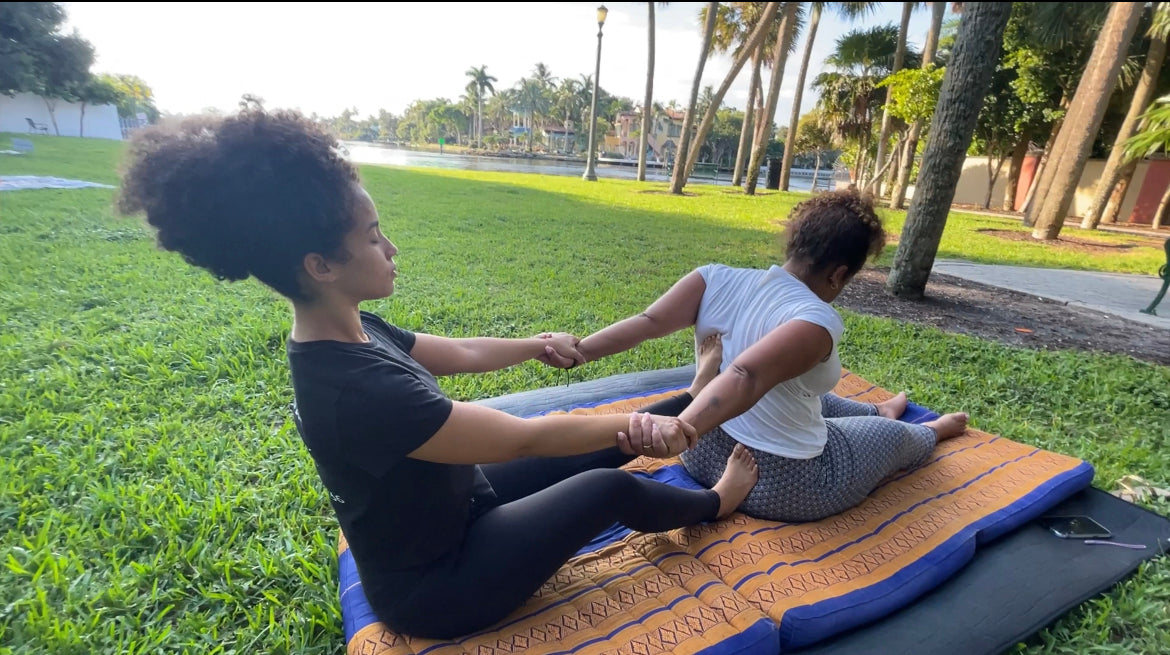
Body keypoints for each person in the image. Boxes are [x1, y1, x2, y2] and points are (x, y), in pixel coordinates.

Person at [115, 109, 760, 638]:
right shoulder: (355, 389)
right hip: (438, 584)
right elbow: (520, 437)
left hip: (462, 501)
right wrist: (640, 427)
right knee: (601, 484)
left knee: (609, 438)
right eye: (373, 237)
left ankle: (694, 401)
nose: (391, 248)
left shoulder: (349, 329)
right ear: (321, 266)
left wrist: (535, 347)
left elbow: (455, 353)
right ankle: (712, 503)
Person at [570, 189, 970, 523]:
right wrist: (679, 430)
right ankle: (929, 431)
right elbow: (745, 376)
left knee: (802, 391)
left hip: (702, 454)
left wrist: (580, 350)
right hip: (782, 482)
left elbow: (648, 321)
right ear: (838, 274)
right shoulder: (813, 319)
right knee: (893, 439)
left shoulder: (712, 277)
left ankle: (876, 411)